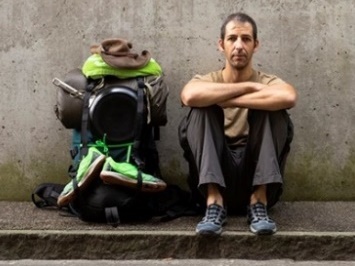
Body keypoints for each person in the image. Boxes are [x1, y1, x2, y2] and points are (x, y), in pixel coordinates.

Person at [178, 12, 297, 236]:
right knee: (200, 110)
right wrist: (251, 89)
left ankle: (258, 203)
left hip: (256, 176)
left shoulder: (267, 81)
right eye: (232, 39)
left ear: (256, 45)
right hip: (212, 177)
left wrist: (227, 99)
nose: (239, 46)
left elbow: (289, 97)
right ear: (221, 44)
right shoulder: (208, 80)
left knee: (274, 111)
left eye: (246, 39)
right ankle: (214, 204)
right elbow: (189, 96)